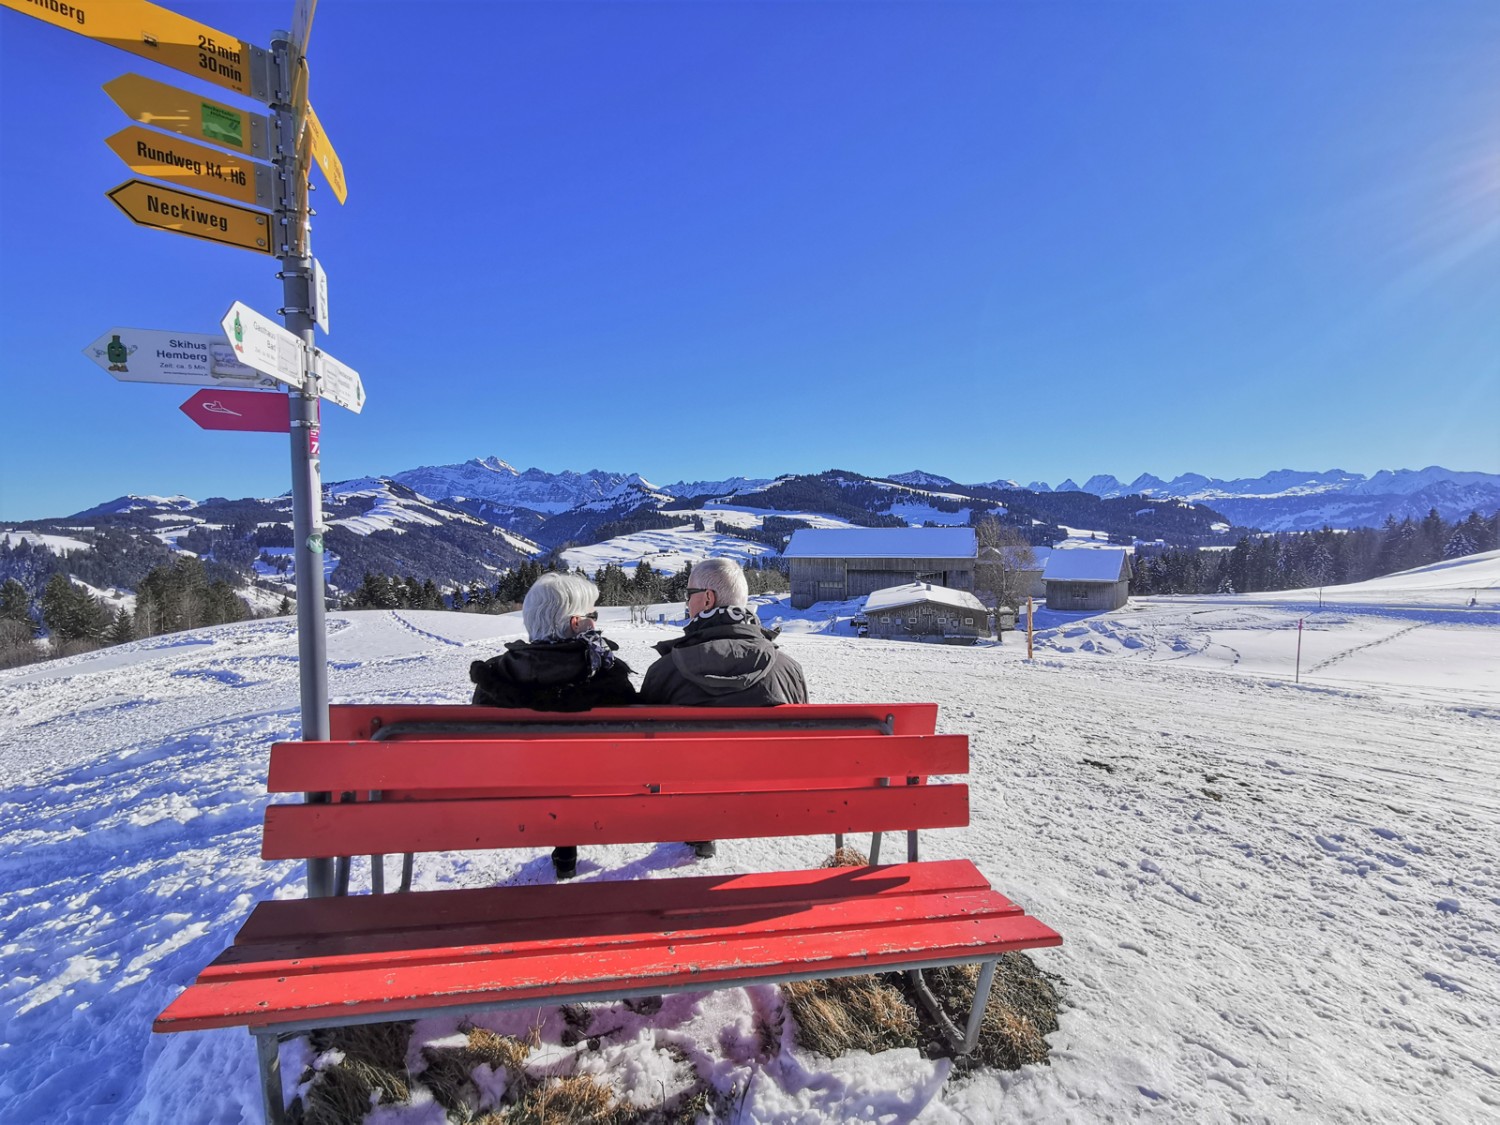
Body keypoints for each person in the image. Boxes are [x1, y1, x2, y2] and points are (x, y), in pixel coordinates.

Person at [469, 572, 637, 880]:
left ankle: (564, 851)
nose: (595, 622)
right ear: (577, 623)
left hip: (510, 807)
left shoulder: (495, 679)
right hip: (606, 800)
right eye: (593, 615)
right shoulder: (608, 678)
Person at [640, 557, 808, 858]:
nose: (686, 603)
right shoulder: (788, 670)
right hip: (767, 800)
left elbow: (642, 750)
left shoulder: (664, 672)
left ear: (707, 598)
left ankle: (700, 825)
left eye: (688, 595)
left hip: (682, 792)